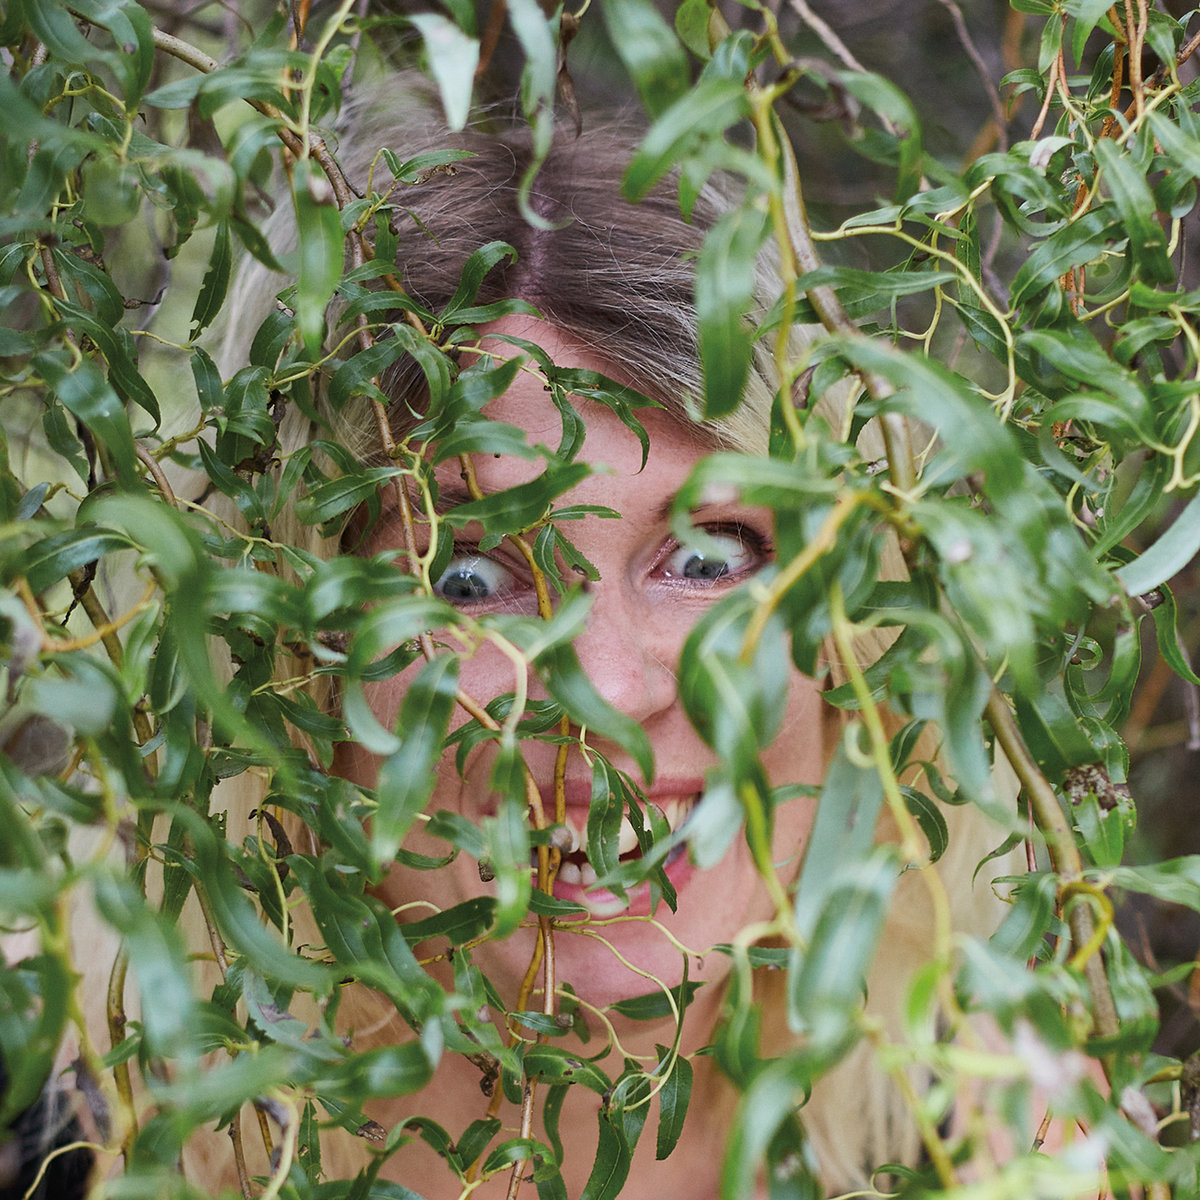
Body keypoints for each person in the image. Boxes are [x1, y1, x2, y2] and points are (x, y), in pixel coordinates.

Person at [202, 77, 1009, 1198]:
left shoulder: (1009, 1154)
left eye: (710, 561)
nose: (609, 689)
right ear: (287, 659)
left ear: (857, 638)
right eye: (471, 576)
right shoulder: (78, 1144)